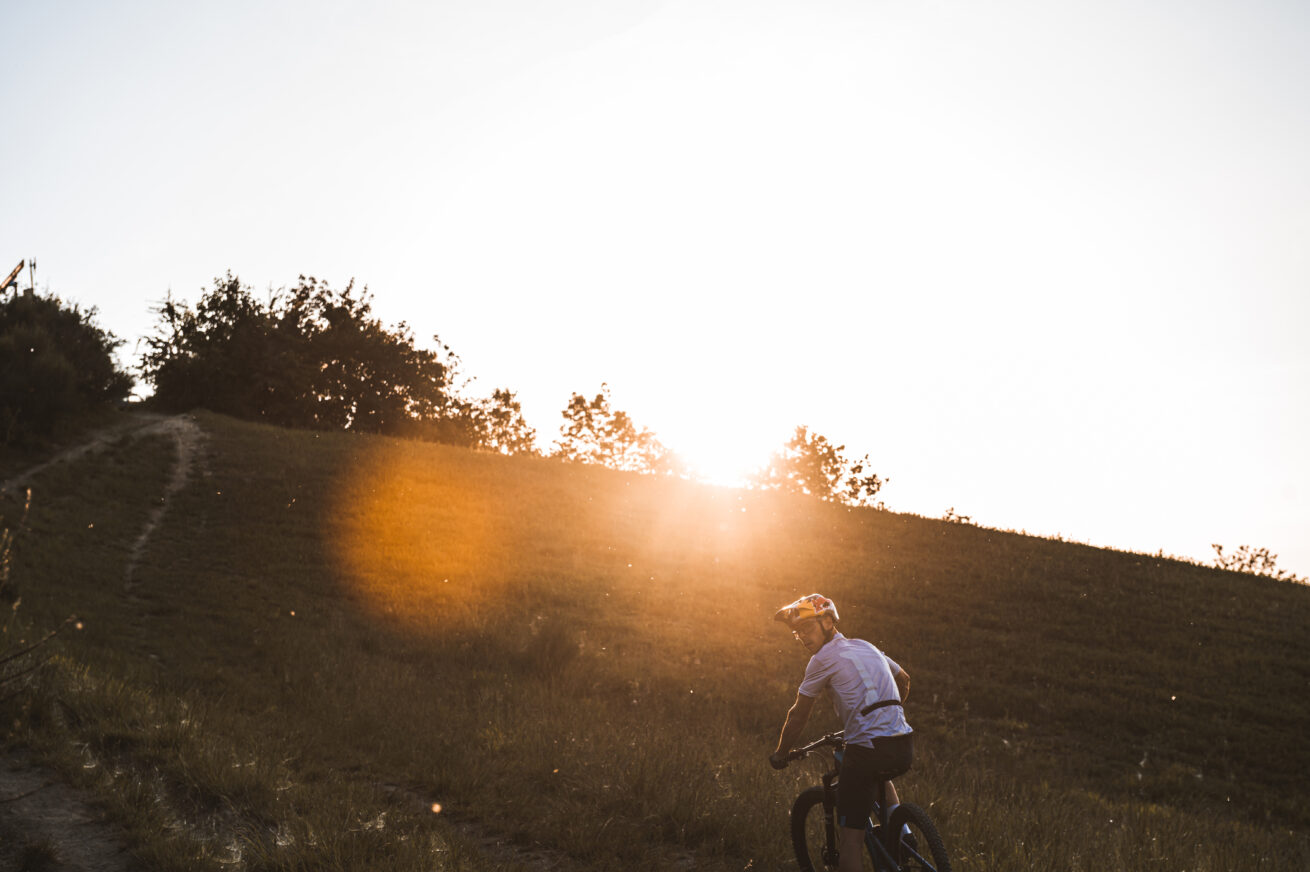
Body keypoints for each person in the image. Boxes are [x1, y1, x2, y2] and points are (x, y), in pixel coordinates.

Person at [769, 593, 913, 872]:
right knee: (880, 778)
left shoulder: (821, 659)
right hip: (903, 743)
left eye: (807, 629)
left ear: (827, 622)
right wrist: (887, 716)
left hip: (868, 750)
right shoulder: (866, 646)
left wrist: (781, 753)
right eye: (797, 633)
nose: (803, 637)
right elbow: (904, 679)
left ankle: (896, 842)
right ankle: (905, 837)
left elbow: (798, 714)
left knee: (850, 843)